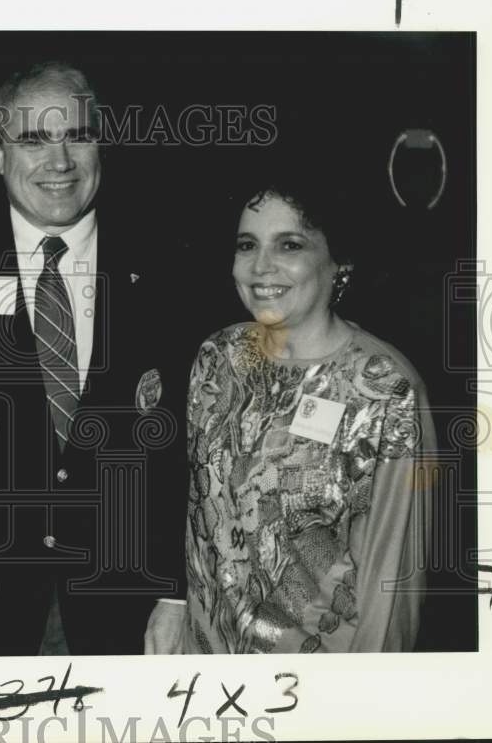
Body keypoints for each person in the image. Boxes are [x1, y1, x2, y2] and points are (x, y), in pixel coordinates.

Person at [0, 61, 192, 656]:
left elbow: (188, 444)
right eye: (33, 139)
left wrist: (176, 593)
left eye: (76, 135)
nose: (60, 162)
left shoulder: (169, 265)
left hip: (126, 611)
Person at [147, 173, 436, 654]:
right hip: (203, 678)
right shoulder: (218, 358)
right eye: (247, 245)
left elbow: (393, 588)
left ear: (338, 262)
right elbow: (197, 520)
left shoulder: (385, 389)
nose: (261, 267)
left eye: (290, 245)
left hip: (317, 687)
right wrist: (173, 606)